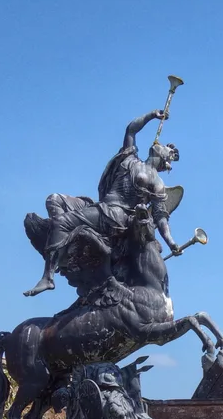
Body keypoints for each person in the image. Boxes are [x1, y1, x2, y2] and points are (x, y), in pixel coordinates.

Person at [24, 109, 183, 296]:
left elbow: (160, 216)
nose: (161, 145)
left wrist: (171, 242)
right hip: (100, 206)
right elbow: (131, 130)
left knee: (62, 222)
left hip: (115, 215)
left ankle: (48, 277)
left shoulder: (157, 183)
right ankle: (71, 246)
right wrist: (151, 116)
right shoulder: (130, 157)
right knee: (54, 199)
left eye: (167, 148)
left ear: (166, 160)